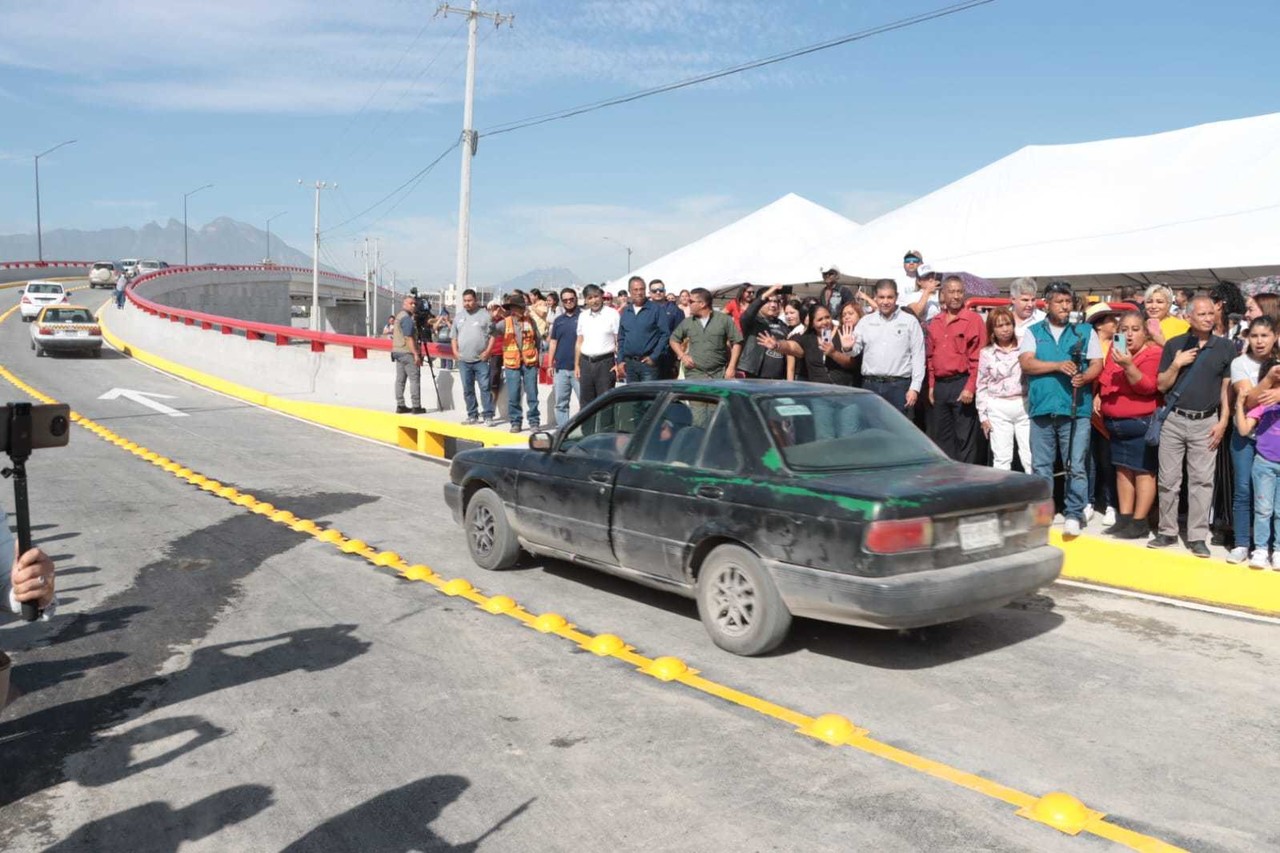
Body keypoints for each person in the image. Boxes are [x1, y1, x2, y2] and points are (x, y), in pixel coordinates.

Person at [1018, 281, 1104, 537]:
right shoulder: (1034, 332)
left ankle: (1074, 513)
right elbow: (1027, 364)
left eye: (1068, 302)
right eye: (1060, 302)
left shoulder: (1085, 331)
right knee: (1041, 466)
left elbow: (1097, 364)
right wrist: (1057, 366)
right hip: (1042, 409)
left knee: (1076, 464)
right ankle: (1043, 513)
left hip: (1076, 408)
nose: (1066, 307)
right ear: (1047, 304)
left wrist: (1085, 377)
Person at [1151, 296, 1234, 556]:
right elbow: (1162, 385)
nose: (1209, 318)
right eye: (1202, 314)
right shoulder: (1175, 345)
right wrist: (1177, 363)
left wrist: (1222, 422)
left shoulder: (1226, 347)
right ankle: (1167, 532)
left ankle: (1197, 536)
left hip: (1206, 422)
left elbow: (1226, 391)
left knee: (1201, 482)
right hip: (1174, 419)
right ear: (1189, 317)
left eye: (1212, 313)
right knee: (1168, 480)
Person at [1095, 310, 1161, 539]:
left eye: (1135, 329)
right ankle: (1124, 518)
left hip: (1140, 423)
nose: (1129, 334)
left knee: (1143, 472)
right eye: (1124, 330)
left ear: (1145, 332)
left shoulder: (1153, 354)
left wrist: (1129, 365)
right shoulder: (1117, 352)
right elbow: (1106, 380)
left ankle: (1140, 521)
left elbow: (1147, 387)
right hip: (1115, 425)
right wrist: (1099, 396)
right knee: (1122, 470)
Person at [1225, 317, 1278, 561]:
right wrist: (1270, 382)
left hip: (1274, 438)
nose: (1259, 341)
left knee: (1273, 500)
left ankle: (1271, 547)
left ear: (1275, 336)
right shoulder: (1239, 363)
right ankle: (1242, 543)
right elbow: (1249, 402)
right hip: (1246, 433)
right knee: (1244, 488)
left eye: (1265, 335)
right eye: (1254, 336)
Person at [926, 275, 986, 463]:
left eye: (959, 291)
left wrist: (970, 387)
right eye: (951, 291)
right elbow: (930, 356)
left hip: (962, 382)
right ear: (943, 294)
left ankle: (967, 482)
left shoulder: (973, 320)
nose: (956, 296)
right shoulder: (935, 321)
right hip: (941, 386)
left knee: (964, 438)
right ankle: (946, 479)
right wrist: (931, 385)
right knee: (942, 437)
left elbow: (979, 357)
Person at [855, 279, 926, 415]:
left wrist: (915, 388)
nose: (885, 301)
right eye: (881, 297)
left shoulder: (909, 321)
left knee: (898, 433)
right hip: (871, 385)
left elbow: (918, 356)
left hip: (899, 387)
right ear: (875, 297)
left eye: (890, 297)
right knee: (872, 430)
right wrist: (847, 347)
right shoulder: (866, 322)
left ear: (896, 297)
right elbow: (854, 351)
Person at [977, 307, 1032, 472]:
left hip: (1024, 405)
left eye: (1008, 324)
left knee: (1029, 457)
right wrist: (982, 415)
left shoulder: (1025, 345)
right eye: (999, 326)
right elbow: (982, 384)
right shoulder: (986, 353)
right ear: (992, 329)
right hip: (998, 408)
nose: (1005, 329)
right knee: (1002, 459)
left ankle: (1037, 495)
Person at [1084, 304, 1120, 526]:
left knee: (1108, 460)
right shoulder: (1086, 343)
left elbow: (1118, 371)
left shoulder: (1119, 341)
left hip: (1108, 407)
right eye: (1109, 319)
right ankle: (1087, 501)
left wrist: (1101, 393)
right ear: (1098, 324)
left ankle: (1110, 504)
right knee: (1087, 459)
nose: (1114, 322)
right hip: (1086, 408)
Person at [1242, 359, 1280, 569]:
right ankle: (1261, 549)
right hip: (1265, 460)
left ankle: (1278, 550)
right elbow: (1249, 410)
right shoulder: (1266, 400)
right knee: (1263, 509)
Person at [668, 287, 742, 380]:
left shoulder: (724, 320)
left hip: (719, 374)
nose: (688, 304)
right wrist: (683, 356)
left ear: (702, 304)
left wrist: (731, 367)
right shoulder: (688, 322)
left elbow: (737, 342)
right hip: (694, 374)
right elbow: (673, 339)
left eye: (691, 301)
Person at [451, 289, 496, 426]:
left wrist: (488, 351)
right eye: (465, 301)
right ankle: (472, 415)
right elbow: (454, 337)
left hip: (480, 360)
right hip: (464, 361)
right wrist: (455, 352)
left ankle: (488, 415)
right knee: (467, 389)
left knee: (484, 387)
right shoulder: (458, 317)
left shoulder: (485, 316)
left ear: (475, 300)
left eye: (470, 300)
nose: (467, 303)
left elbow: (493, 335)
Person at [616, 276, 670, 384]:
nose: (639, 293)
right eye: (635, 290)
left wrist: (654, 357)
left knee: (648, 398)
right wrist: (620, 361)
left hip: (648, 364)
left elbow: (665, 335)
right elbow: (621, 338)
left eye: (642, 289)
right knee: (633, 398)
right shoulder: (626, 312)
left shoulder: (656, 310)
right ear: (630, 292)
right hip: (630, 364)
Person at [499, 298, 541, 433]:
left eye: (519, 307)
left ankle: (534, 422)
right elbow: (490, 331)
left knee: (532, 394)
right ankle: (515, 422)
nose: (517, 310)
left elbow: (538, 340)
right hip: (512, 364)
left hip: (529, 363)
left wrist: (538, 359)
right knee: (514, 394)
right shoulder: (504, 323)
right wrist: (491, 318)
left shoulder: (530, 321)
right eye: (514, 308)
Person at [575, 284, 621, 407]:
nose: (594, 300)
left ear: (601, 296)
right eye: (590, 298)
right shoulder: (583, 316)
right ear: (585, 300)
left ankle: (606, 427)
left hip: (605, 363)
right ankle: (588, 427)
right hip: (586, 363)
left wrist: (618, 363)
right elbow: (579, 341)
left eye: (596, 296)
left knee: (605, 403)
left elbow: (618, 341)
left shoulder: (612, 314)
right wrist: (577, 365)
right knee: (586, 404)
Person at [737, 286, 791, 380]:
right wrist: (764, 296)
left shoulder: (783, 326)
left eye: (776, 302)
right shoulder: (752, 321)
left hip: (776, 379)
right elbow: (747, 315)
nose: (773, 305)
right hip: (752, 375)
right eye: (769, 301)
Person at [547, 287, 581, 426]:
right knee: (561, 404)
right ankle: (563, 431)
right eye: (565, 300)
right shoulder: (558, 320)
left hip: (579, 369)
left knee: (585, 403)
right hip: (560, 369)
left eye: (571, 299)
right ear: (562, 302)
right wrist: (550, 364)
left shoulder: (583, 317)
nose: (568, 302)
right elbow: (553, 342)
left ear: (576, 299)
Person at [391, 295, 425, 415]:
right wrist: (416, 354)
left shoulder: (399, 316)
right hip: (407, 352)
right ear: (404, 304)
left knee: (400, 380)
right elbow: (409, 337)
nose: (414, 306)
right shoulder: (406, 318)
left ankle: (400, 405)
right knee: (414, 379)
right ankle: (416, 406)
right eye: (411, 303)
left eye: (415, 304)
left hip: (397, 351)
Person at [649, 279, 684, 378]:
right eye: (654, 291)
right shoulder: (645, 309)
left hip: (668, 355)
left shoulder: (675, 311)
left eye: (660, 290)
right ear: (650, 293)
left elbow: (680, 335)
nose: (658, 292)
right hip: (648, 355)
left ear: (664, 291)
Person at [825, 301, 863, 387]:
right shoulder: (836, 330)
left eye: (850, 313)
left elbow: (853, 363)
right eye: (844, 315)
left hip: (853, 382)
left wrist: (833, 353)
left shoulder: (862, 333)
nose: (846, 317)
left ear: (859, 315)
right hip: (832, 380)